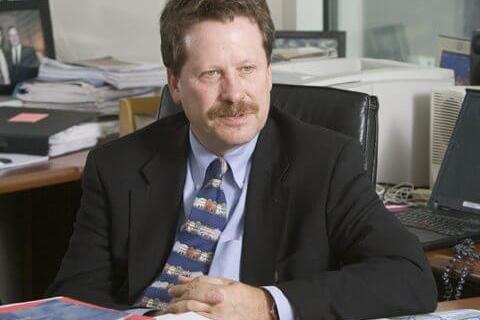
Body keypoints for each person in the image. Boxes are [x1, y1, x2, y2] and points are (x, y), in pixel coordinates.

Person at [47, 0, 437, 319]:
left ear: (268, 73)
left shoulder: (326, 163)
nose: (235, 94)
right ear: (175, 84)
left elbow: (409, 277)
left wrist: (265, 304)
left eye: (247, 69)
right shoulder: (116, 166)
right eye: (211, 74)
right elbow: (73, 300)